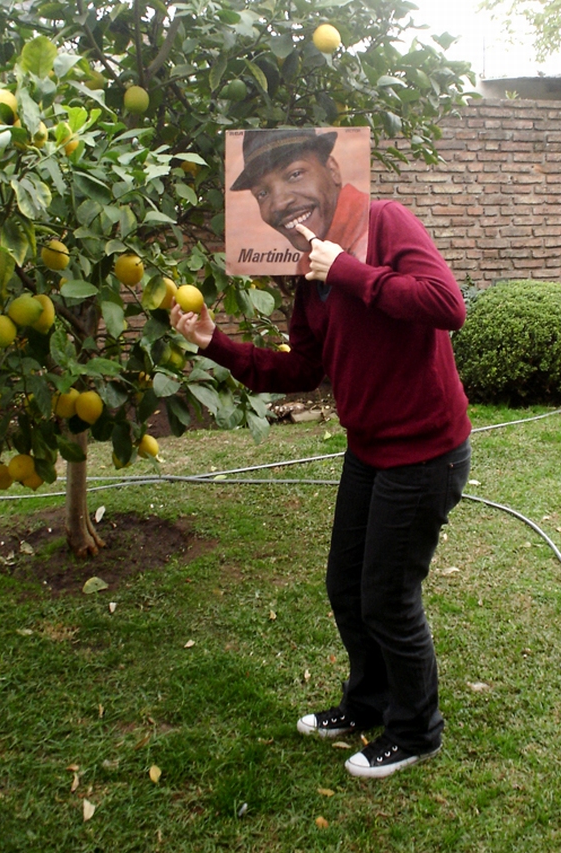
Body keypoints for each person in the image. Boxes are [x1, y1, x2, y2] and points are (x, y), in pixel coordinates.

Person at [171, 186, 472, 779]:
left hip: (425, 450)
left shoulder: (386, 223)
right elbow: (304, 368)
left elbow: (447, 304)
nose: (286, 208)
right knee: (346, 586)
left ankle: (416, 730)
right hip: (368, 450)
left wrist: (350, 270)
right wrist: (216, 345)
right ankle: (368, 702)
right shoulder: (308, 281)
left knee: (388, 597)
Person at [229, 128, 370, 275]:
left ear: (332, 170)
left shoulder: (379, 222)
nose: (279, 204)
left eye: (295, 174)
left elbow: (395, 293)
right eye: (262, 193)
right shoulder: (309, 262)